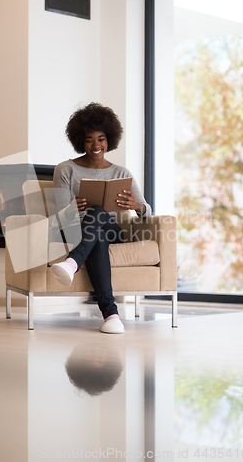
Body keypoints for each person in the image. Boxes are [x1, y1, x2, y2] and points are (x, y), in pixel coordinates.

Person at [51, 103, 152, 334]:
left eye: (101, 138)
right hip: (79, 231)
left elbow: (147, 209)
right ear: (80, 141)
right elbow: (61, 217)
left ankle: (72, 262)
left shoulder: (121, 173)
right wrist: (71, 208)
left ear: (109, 139)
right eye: (89, 139)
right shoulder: (65, 170)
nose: (96, 145)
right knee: (97, 237)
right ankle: (111, 316)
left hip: (112, 230)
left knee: (98, 213)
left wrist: (137, 206)